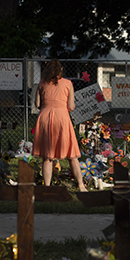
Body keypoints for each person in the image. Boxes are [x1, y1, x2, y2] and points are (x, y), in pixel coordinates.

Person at [32, 58, 87, 191]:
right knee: (72, 155)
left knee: (47, 156)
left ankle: (47, 187)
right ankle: (81, 185)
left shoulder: (42, 83)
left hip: (45, 117)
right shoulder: (68, 83)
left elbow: (37, 104)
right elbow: (71, 106)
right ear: (60, 70)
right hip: (62, 118)